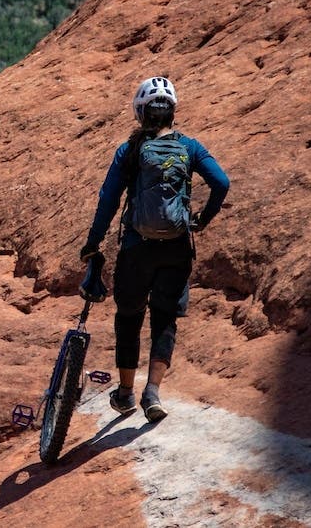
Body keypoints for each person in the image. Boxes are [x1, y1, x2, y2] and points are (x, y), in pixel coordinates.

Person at [80, 77, 229, 422]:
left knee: (129, 317)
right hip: (176, 249)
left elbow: (108, 200)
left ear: (141, 113)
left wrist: (93, 241)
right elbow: (221, 182)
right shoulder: (189, 147)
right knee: (164, 319)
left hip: (137, 248)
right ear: (172, 112)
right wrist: (201, 220)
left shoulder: (130, 150)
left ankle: (126, 392)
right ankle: (153, 394)